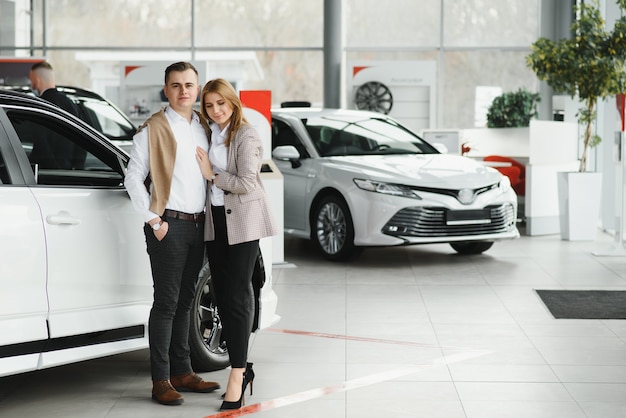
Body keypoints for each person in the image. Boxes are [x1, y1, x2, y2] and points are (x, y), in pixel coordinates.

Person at [125, 62, 220, 406]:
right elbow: (133, 177)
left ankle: (183, 372)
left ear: (198, 89)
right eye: (176, 85)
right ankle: (160, 379)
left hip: (199, 224)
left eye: (190, 85)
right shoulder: (153, 128)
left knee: (185, 301)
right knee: (166, 302)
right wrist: (154, 220)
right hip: (170, 225)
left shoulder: (204, 127)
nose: (183, 91)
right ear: (166, 90)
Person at [195, 78, 278, 411]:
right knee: (222, 297)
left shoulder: (246, 134)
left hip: (242, 222)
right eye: (210, 105)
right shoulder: (209, 132)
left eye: (221, 104)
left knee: (238, 296)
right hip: (216, 222)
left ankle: (238, 372)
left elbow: (245, 182)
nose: (216, 111)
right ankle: (241, 368)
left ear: (233, 104)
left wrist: (211, 173)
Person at [28, 61, 83, 169]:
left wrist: (54, 168)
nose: (30, 83)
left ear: (37, 80)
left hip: (46, 173)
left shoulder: (39, 105)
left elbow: (41, 142)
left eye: (31, 79)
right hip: (68, 172)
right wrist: (77, 168)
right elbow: (82, 140)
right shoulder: (71, 104)